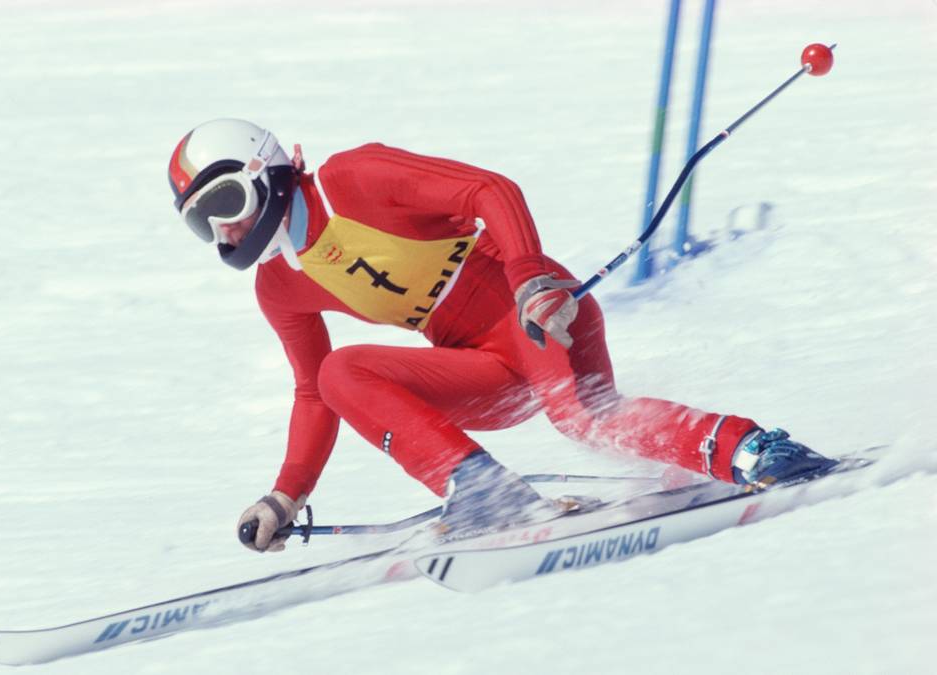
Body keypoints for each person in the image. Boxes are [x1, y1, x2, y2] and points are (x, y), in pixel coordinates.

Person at [167, 118, 837, 553]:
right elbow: (316, 394)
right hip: (475, 366)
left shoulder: (353, 180)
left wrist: (527, 279)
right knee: (340, 374)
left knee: (582, 418)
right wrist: (286, 494)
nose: (224, 231)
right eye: (203, 222)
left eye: (225, 203)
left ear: (267, 171)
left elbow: (488, 190)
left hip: (535, 312)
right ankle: (484, 490)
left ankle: (752, 448)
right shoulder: (278, 286)